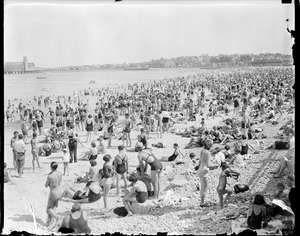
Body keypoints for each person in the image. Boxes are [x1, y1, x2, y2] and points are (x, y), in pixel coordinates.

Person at [197, 139, 219, 207]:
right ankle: (202, 203)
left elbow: (200, 161)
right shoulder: (208, 153)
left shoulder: (202, 151)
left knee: (202, 187)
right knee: (204, 188)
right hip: (204, 171)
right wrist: (216, 165)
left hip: (200, 169)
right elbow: (209, 165)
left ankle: (202, 201)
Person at [45, 162, 63, 227]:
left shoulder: (50, 176)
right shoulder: (60, 173)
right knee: (54, 208)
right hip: (59, 191)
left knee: (48, 209)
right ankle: (49, 222)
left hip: (53, 193)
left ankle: (57, 217)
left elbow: (46, 185)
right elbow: (59, 182)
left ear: (51, 167)